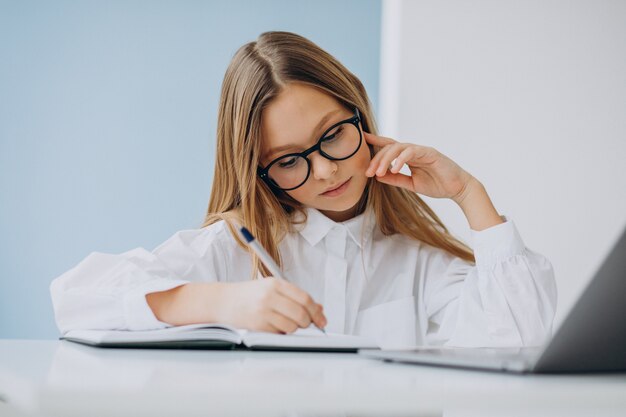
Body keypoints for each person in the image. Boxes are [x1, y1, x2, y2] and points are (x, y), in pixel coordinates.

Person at [50, 31, 557, 348]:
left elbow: (521, 337)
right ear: (258, 171)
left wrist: (468, 193)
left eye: (333, 134)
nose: (323, 172)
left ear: (361, 113)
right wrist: (220, 304)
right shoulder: (233, 251)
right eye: (289, 160)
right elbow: (75, 299)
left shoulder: (418, 264)